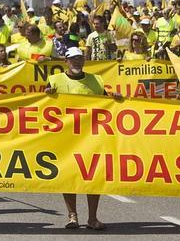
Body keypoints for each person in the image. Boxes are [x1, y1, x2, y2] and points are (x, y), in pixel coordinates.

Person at [45, 47, 121, 231]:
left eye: (80, 58)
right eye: (73, 59)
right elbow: (43, 106)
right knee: (68, 177)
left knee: (92, 177)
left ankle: (93, 218)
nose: (77, 62)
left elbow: (106, 104)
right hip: (66, 138)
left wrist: (116, 99)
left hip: (91, 137)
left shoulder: (96, 80)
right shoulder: (55, 80)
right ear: (66, 61)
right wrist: (47, 95)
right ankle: (72, 216)